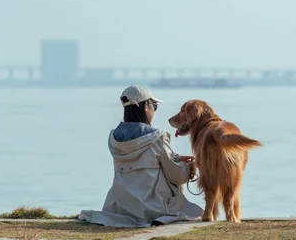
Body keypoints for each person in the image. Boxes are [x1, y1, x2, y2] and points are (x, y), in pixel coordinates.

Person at [78, 85, 203, 227]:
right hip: (153, 208)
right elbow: (176, 176)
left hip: (120, 207)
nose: (154, 111)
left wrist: (176, 158)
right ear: (145, 106)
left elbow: (142, 158)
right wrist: (189, 167)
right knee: (194, 211)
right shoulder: (157, 137)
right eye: (154, 106)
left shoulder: (114, 137)